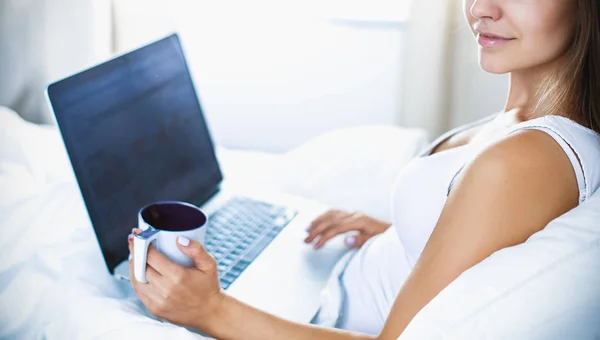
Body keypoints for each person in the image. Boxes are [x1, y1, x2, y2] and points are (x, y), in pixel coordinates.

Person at [126, 0, 600, 338]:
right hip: (337, 272)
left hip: (321, 319)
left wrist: (212, 310)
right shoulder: (527, 121)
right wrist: (399, 235)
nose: (481, 8)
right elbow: (488, 243)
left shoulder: (530, 158)